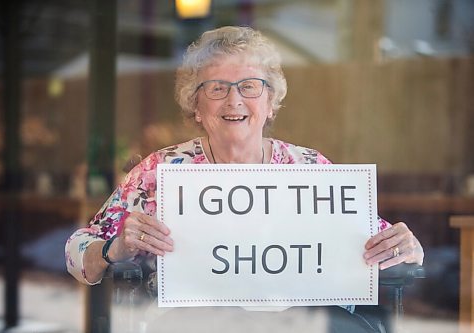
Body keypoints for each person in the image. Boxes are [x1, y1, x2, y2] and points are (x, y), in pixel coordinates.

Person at [65, 26, 424, 333]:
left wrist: (407, 248)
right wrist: (115, 249)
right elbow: (78, 252)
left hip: (298, 324)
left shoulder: (309, 167)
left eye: (250, 86)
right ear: (196, 106)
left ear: (270, 103)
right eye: (217, 88)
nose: (234, 100)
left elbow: (377, 245)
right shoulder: (161, 172)